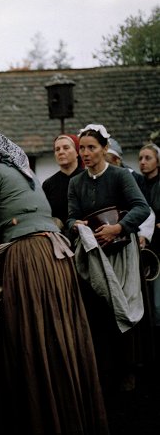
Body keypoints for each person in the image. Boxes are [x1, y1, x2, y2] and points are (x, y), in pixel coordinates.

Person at [0, 131, 109, 434]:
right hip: (56, 255)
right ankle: (69, 411)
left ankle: (38, 417)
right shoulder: (24, 171)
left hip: (30, 256)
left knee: (29, 333)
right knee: (58, 333)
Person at [67, 123, 151, 395]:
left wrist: (119, 227)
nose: (86, 153)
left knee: (124, 308)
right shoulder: (76, 182)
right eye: (82, 148)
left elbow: (142, 207)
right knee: (99, 312)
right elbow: (70, 215)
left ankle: (128, 369)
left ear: (104, 148)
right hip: (95, 257)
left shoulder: (119, 176)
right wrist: (75, 224)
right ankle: (103, 371)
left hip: (122, 252)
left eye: (92, 147)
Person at [42, 133, 84, 235]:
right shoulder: (48, 184)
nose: (61, 152)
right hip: (59, 238)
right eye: (57, 149)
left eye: (66, 148)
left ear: (77, 152)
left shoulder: (88, 178)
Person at [139, 143, 160, 327]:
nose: (143, 162)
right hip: (144, 246)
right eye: (140, 158)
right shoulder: (137, 184)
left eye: (148, 158)